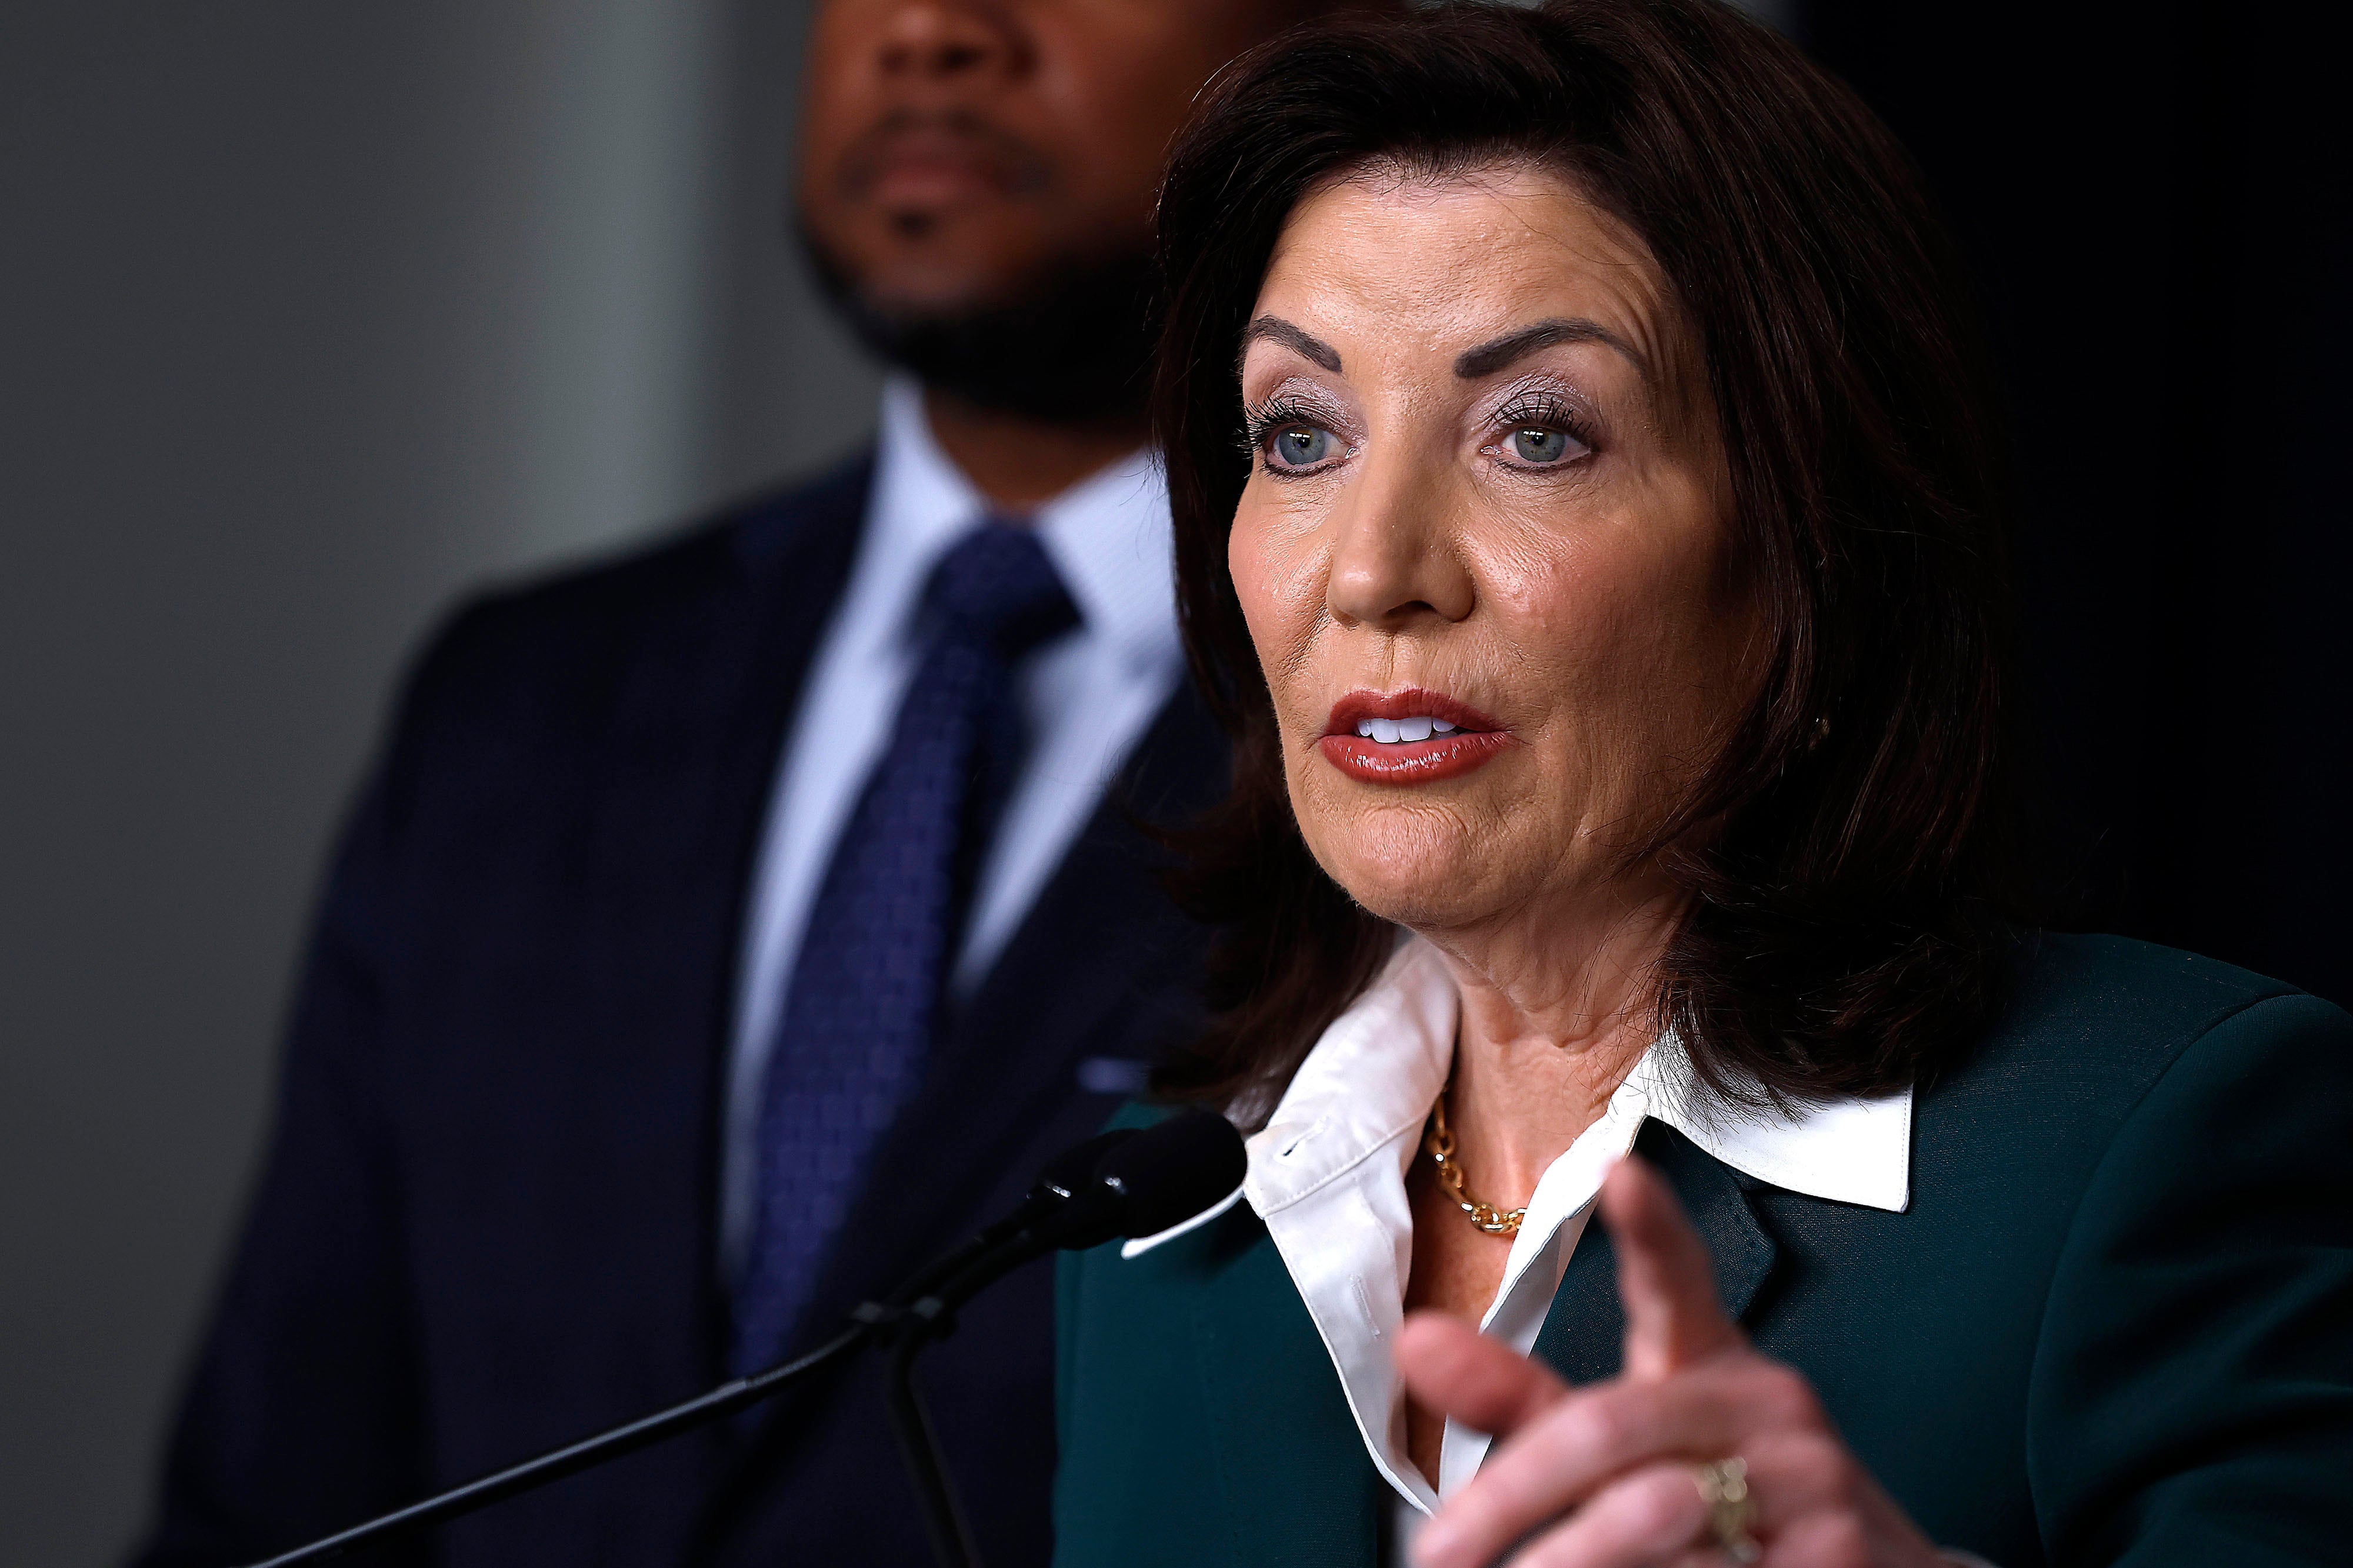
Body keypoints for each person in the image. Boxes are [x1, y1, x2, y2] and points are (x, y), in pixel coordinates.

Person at [1053, 4, 2353, 1567]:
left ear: (1812, 531)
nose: (1376, 571)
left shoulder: (2164, 1140)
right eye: (1300, 433)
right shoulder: (1154, 1226)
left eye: (1538, 434)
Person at [132, 4, 1367, 1566]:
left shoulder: (1434, 744)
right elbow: (270, 1501)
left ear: (1353, 34)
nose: (931, 32)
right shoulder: (517, 706)